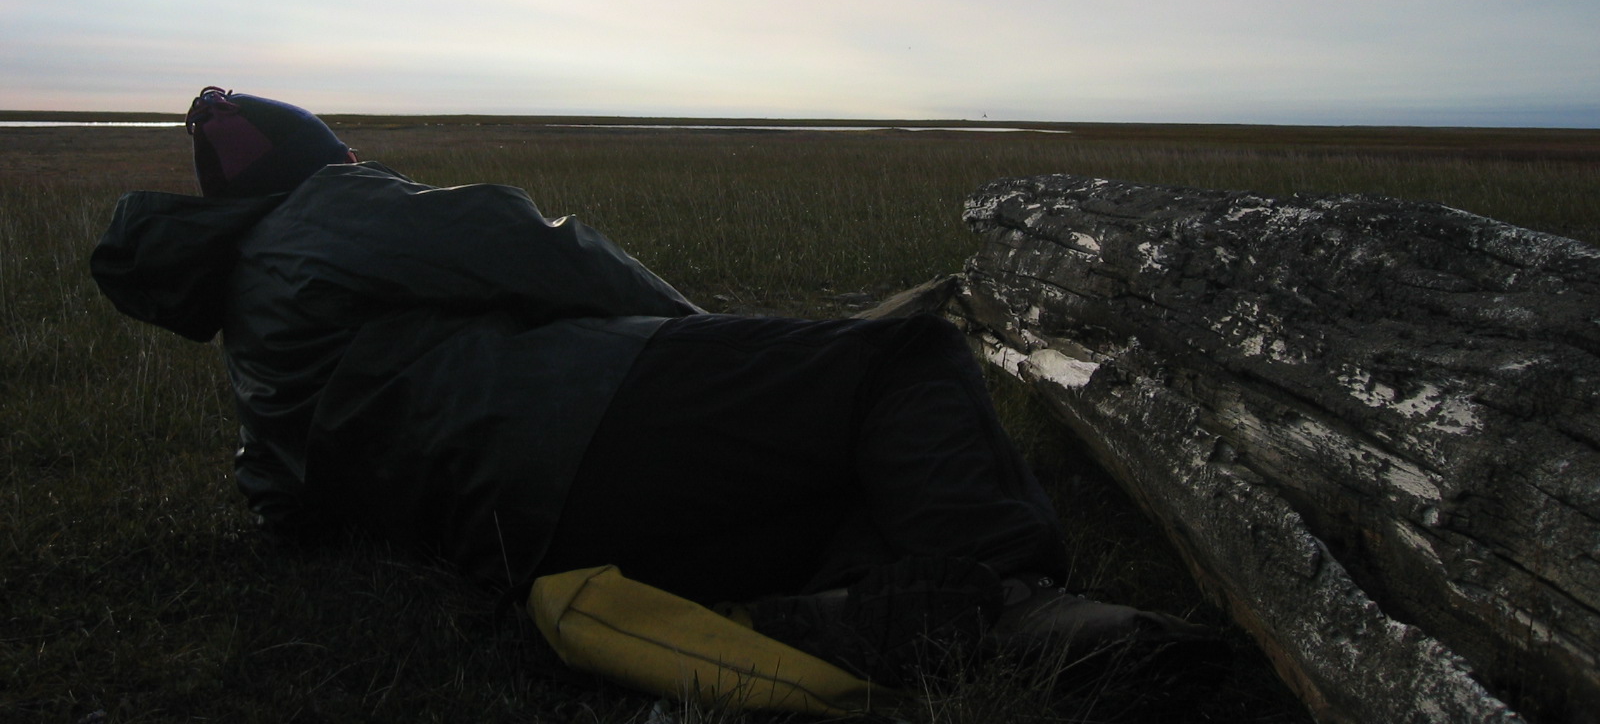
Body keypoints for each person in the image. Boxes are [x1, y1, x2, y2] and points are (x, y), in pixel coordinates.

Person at [91, 86, 1211, 689]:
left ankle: (844, 614)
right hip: (580, 423)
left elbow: (285, 512)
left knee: (837, 475)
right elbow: (537, 246)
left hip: (526, 537)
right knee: (903, 357)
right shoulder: (328, 210)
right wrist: (698, 336)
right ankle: (1009, 599)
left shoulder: (252, 352)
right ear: (325, 165)